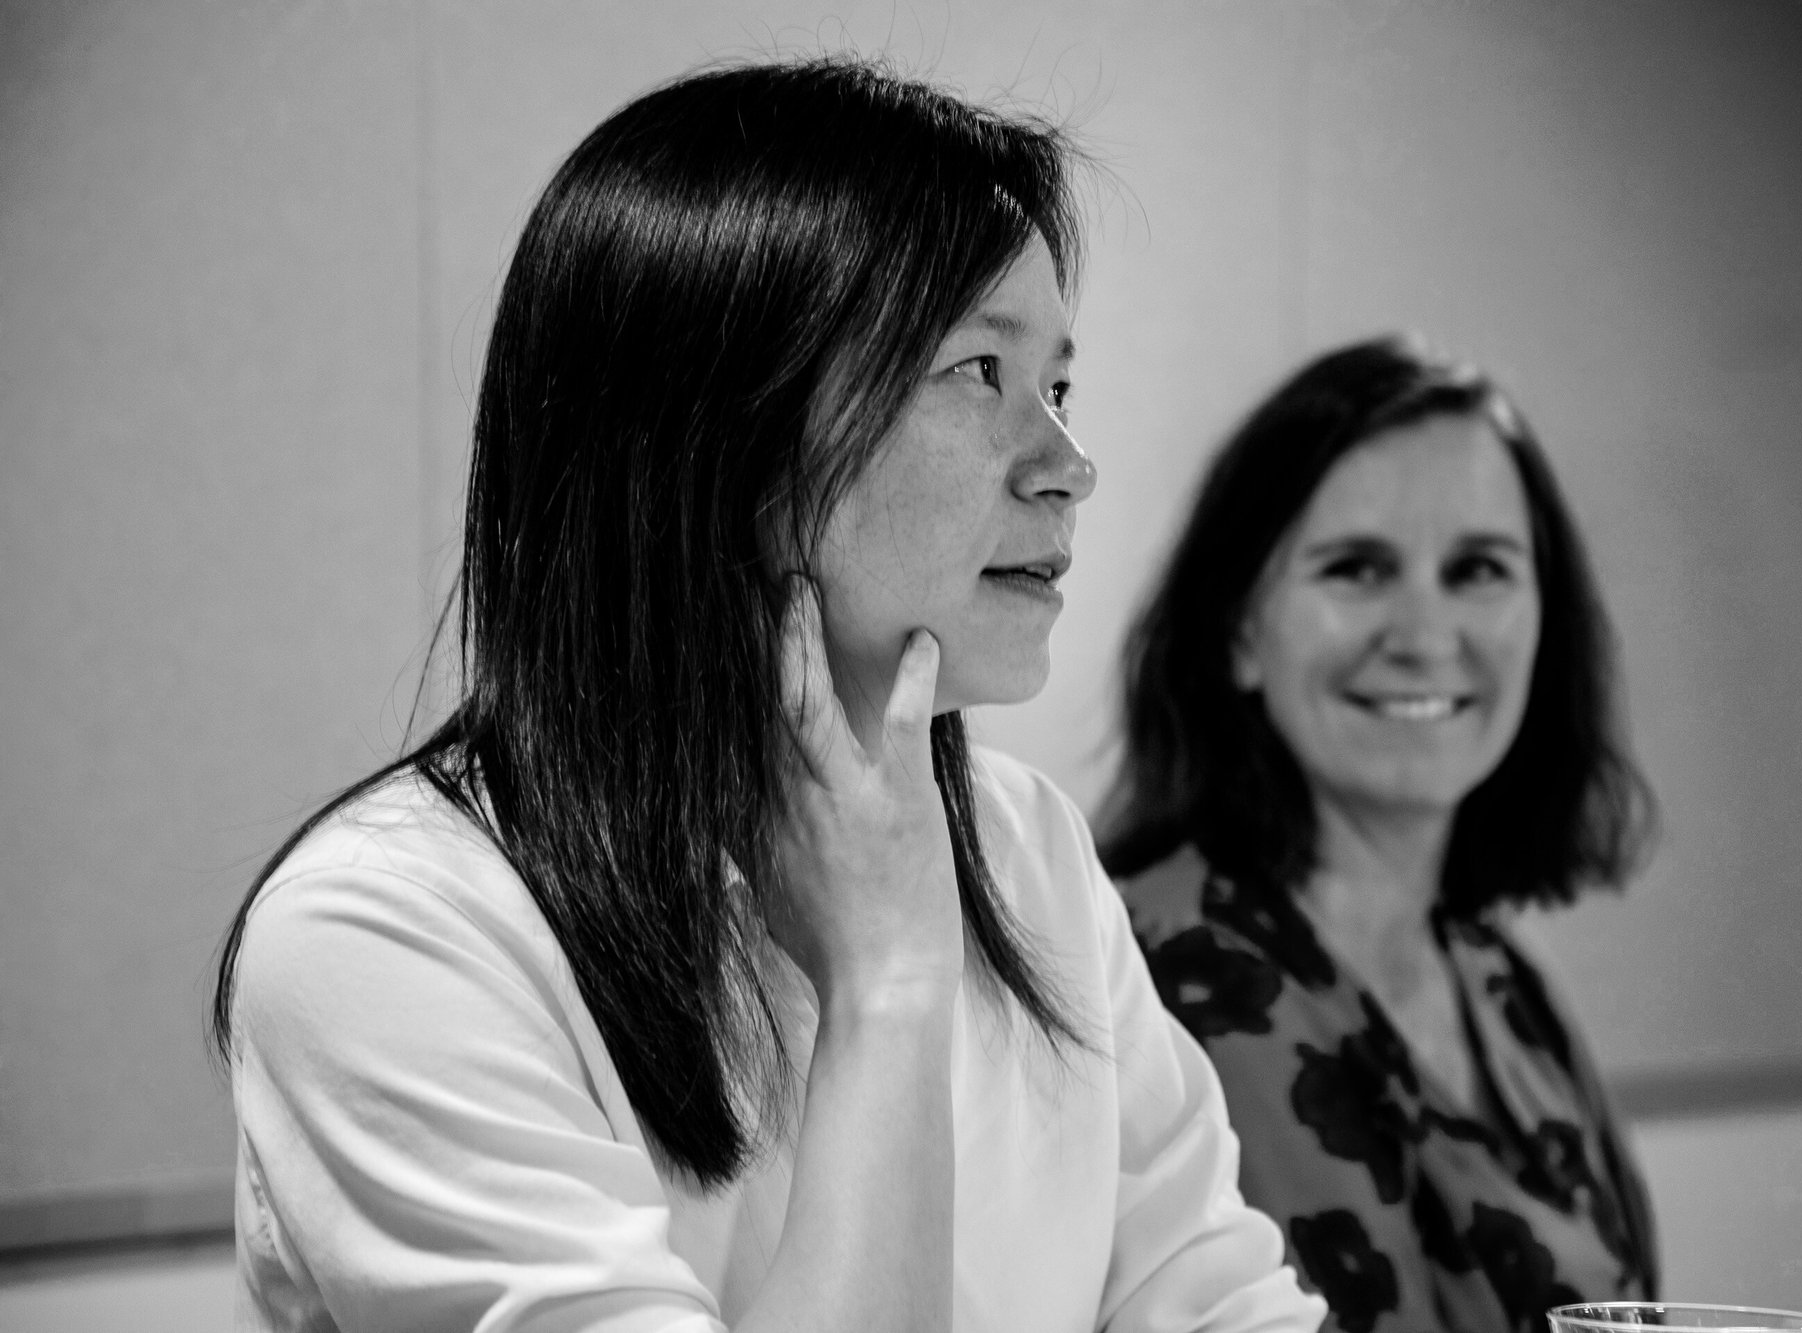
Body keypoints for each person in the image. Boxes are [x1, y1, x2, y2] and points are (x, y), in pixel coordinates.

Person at [210, 58, 1325, 1333]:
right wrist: (887, 983)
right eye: (976, 372)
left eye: (1057, 387)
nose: (1068, 467)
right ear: (719, 445)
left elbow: (1219, 1303)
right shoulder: (386, 929)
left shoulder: (1021, 846)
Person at [1098, 337, 1659, 1333]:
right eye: (1356, 568)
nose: (1423, 634)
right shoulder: (1139, 970)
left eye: (1476, 569)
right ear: (1237, 628)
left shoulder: (1503, 984)